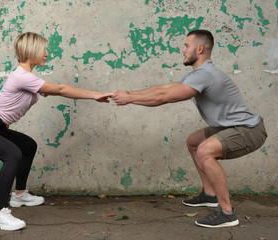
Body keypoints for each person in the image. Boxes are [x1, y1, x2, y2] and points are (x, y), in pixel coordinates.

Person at [111, 29, 267, 228]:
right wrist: (129, 93)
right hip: (231, 127)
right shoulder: (199, 73)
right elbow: (164, 89)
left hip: (248, 130)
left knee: (205, 150)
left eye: (186, 46)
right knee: (194, 142)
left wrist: (130, 99)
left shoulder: (205, 74)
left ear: (199, 49)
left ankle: (227, 212)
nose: (182, 50)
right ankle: (210, 195)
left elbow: (163, 98)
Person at [0, 32, 112, 231]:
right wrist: (95, 95)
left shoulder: (28, 78)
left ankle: (20, 194)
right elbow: (61, 89)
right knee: (12, 154)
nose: (46, 54)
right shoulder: (22, 77)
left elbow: (55, 90)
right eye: (43, 50)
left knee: (27, 146)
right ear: (31, 51)